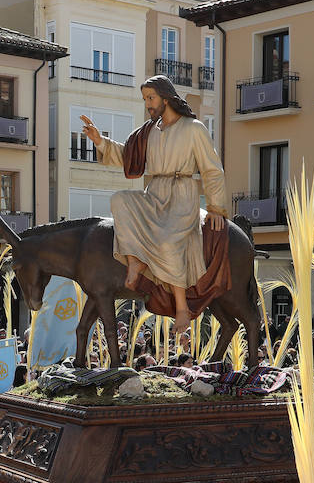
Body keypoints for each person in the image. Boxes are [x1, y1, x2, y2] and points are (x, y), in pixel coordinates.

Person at [80, 74, 230, 333]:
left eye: (151, 98)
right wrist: (99, 141)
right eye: (145, 99)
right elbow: (128, 155)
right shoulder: (149, 132)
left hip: (182, 195)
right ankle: (135, 260)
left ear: (166, 97)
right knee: (120, 199)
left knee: (168, 242)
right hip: (155, 192)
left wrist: (216, 207)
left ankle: (182, 309)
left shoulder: (194, 129)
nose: (147, 104)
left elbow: (212, 169)